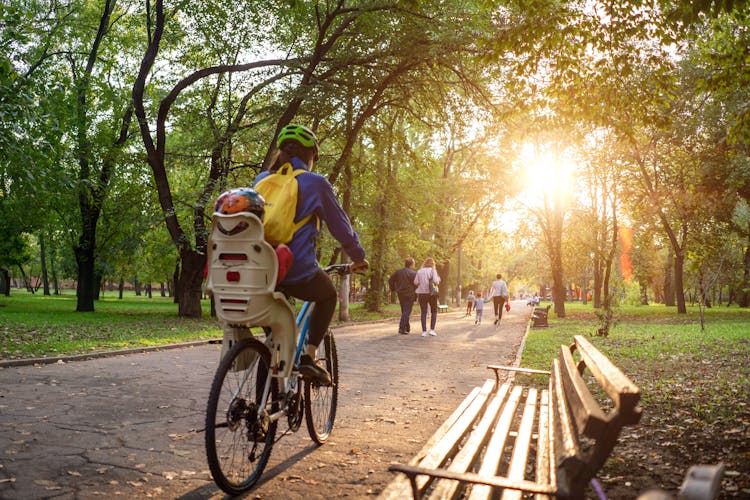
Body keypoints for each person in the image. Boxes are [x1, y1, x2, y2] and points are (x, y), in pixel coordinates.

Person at [254, 123, 368, 384]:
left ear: (281, 152)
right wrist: (358, 257)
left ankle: (269, 370)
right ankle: (309, 357)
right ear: (310, 156)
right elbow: (342, 228)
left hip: (259, 267)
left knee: (274, 337)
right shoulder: (315, 183)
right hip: (294, 270)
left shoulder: (262, 180)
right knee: (327, 296)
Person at [388, 258, 417, 335]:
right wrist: (416, 294)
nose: (414, 265)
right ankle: (401, 328)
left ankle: (407, 328)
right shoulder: (413, 273)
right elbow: (416, 285)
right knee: (407, 311)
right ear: (411, 264)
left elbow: (390, 279)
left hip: (400, 293)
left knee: (404, 311)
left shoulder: (398, 272)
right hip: (410, 294)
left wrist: (393, 289)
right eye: (414, 263)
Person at [413, 257, 440, 337]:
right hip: (431, 293)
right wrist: (438, 279)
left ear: (424, 263)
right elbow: (436, 281)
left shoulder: (419, 271)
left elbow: (415, 282)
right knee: (434, 311)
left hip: (421, 293)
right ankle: (432, 330)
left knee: (423, 312)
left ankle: (424, 331)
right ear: (433, 264)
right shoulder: (433, 271)